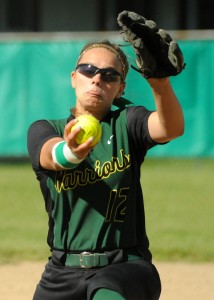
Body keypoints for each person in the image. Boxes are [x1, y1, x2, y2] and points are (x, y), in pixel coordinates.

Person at [27, 39, 184, 300]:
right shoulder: (46, 129)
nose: (97, 79)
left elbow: (171, 128)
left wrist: (160, 84)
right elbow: (51, 156)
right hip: (62, 272)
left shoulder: (127, 123)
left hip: (124, 266)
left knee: (106, 293)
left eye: (110, 75)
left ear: (120, 89)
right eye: (88, 70)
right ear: (74, 77)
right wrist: (71, 152)